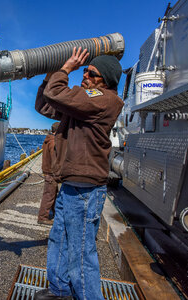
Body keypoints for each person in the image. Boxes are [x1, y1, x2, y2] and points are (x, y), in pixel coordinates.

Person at [34, 47, 124, 300]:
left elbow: (58, 92)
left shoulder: (105, 99)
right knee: (59, 240)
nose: (84, 75)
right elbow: (45, 103)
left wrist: (65, 69)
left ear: (104, 80)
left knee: (81, 252)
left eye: (91, 72)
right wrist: (47, 77)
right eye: (83, 70)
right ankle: (60, 290)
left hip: (86, 189)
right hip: (70, 185)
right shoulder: (84, 102)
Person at [37, 121, 60, 225]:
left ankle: (53, 213)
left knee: (52, 194)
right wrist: (58, 171)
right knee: (49, 195)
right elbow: (54, 158)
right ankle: (43, 217)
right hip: (51, 172)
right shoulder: (54, 141)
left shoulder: (48, 139)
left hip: (47, 170)